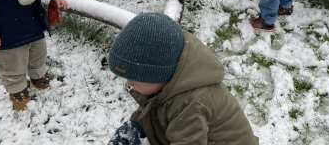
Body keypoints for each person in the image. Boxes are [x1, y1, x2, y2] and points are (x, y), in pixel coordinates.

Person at [107, 12, 259, 145]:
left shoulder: (191, 103)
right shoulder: (170, 81)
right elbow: (151, 106)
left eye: (135, 78)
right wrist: (136, 125)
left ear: (159, 75)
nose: (128, 83)